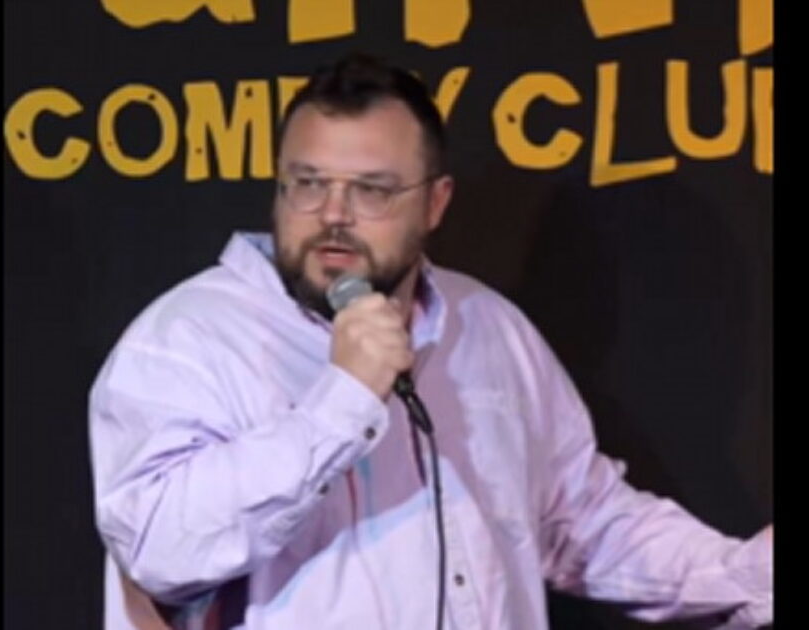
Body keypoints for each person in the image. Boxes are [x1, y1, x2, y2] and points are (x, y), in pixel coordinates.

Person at [89, 52, 773, 630]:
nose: (333, 215)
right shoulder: (188, 340)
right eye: (308, 183)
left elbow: (581, 522)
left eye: (372, 190)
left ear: (435, 202)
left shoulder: (490, 329)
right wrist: (341, 402)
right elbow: (155, 549)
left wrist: (746, 575)